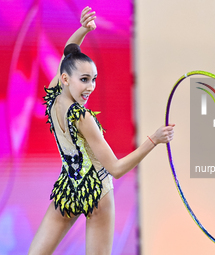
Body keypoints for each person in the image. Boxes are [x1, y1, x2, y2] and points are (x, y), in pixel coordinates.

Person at [28, 6, 174, 254]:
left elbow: (68, 55)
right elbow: (116, 169)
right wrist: (154, 139)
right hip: (91, 192)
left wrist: (83, 30)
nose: (91, 87)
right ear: (65, 79)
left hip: (78, 190)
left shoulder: (54, 97)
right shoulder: (83, 117)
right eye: (84, 79)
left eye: (94, 79)